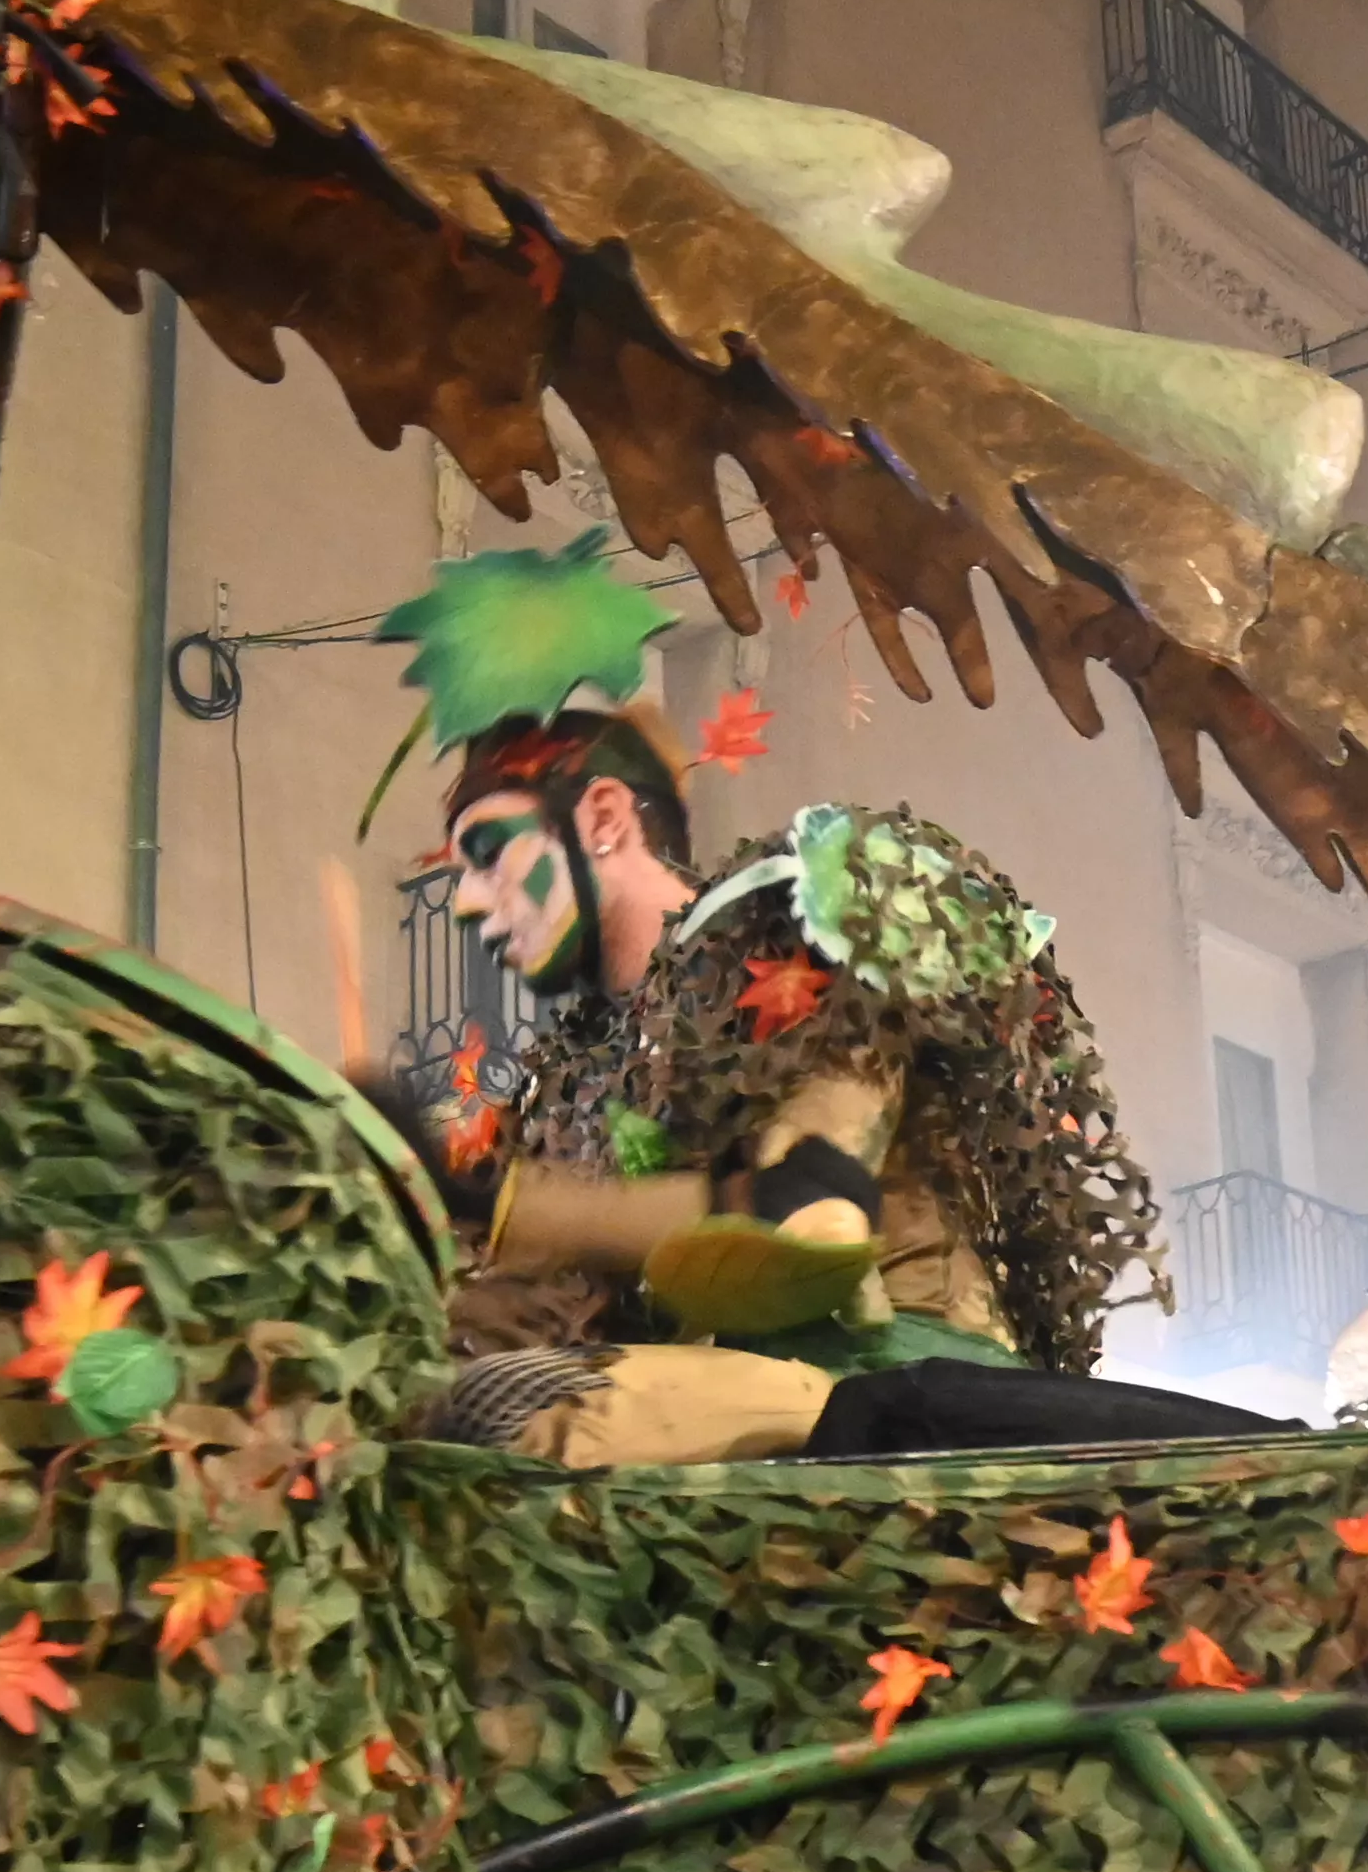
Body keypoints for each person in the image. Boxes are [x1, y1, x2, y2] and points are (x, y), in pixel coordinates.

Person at [356, 541, 1211, 1470]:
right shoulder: (574, 1078)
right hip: (708, 1404)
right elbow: (528, 1310)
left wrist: (483, 1194)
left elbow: (803, 1216)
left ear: (602, 819)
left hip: (891, 1390)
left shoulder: (795, 917)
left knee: (531, 1413)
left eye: (488, 853)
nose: (468, 900)